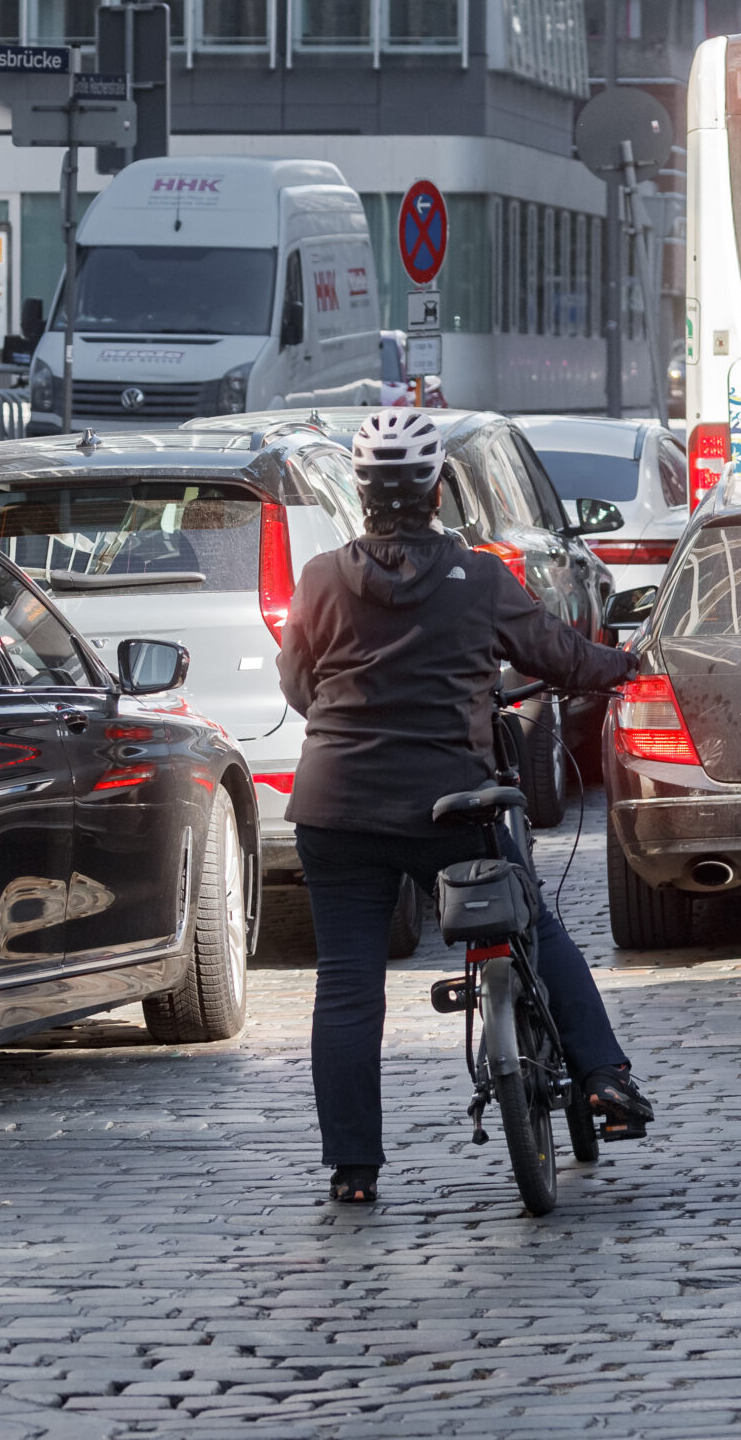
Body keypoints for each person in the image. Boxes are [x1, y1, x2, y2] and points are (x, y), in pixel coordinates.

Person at [277, 408, 657, 1205]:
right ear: (438, 491)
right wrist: (623, 663)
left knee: (347, 986)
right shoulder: (479, 578)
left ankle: (353, 1168)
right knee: (532, 921)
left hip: (336, 809)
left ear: (360, 492)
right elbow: (558, 656)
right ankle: (604, 1077)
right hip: (453, 806)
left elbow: (299, 688)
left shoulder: (317, 580)